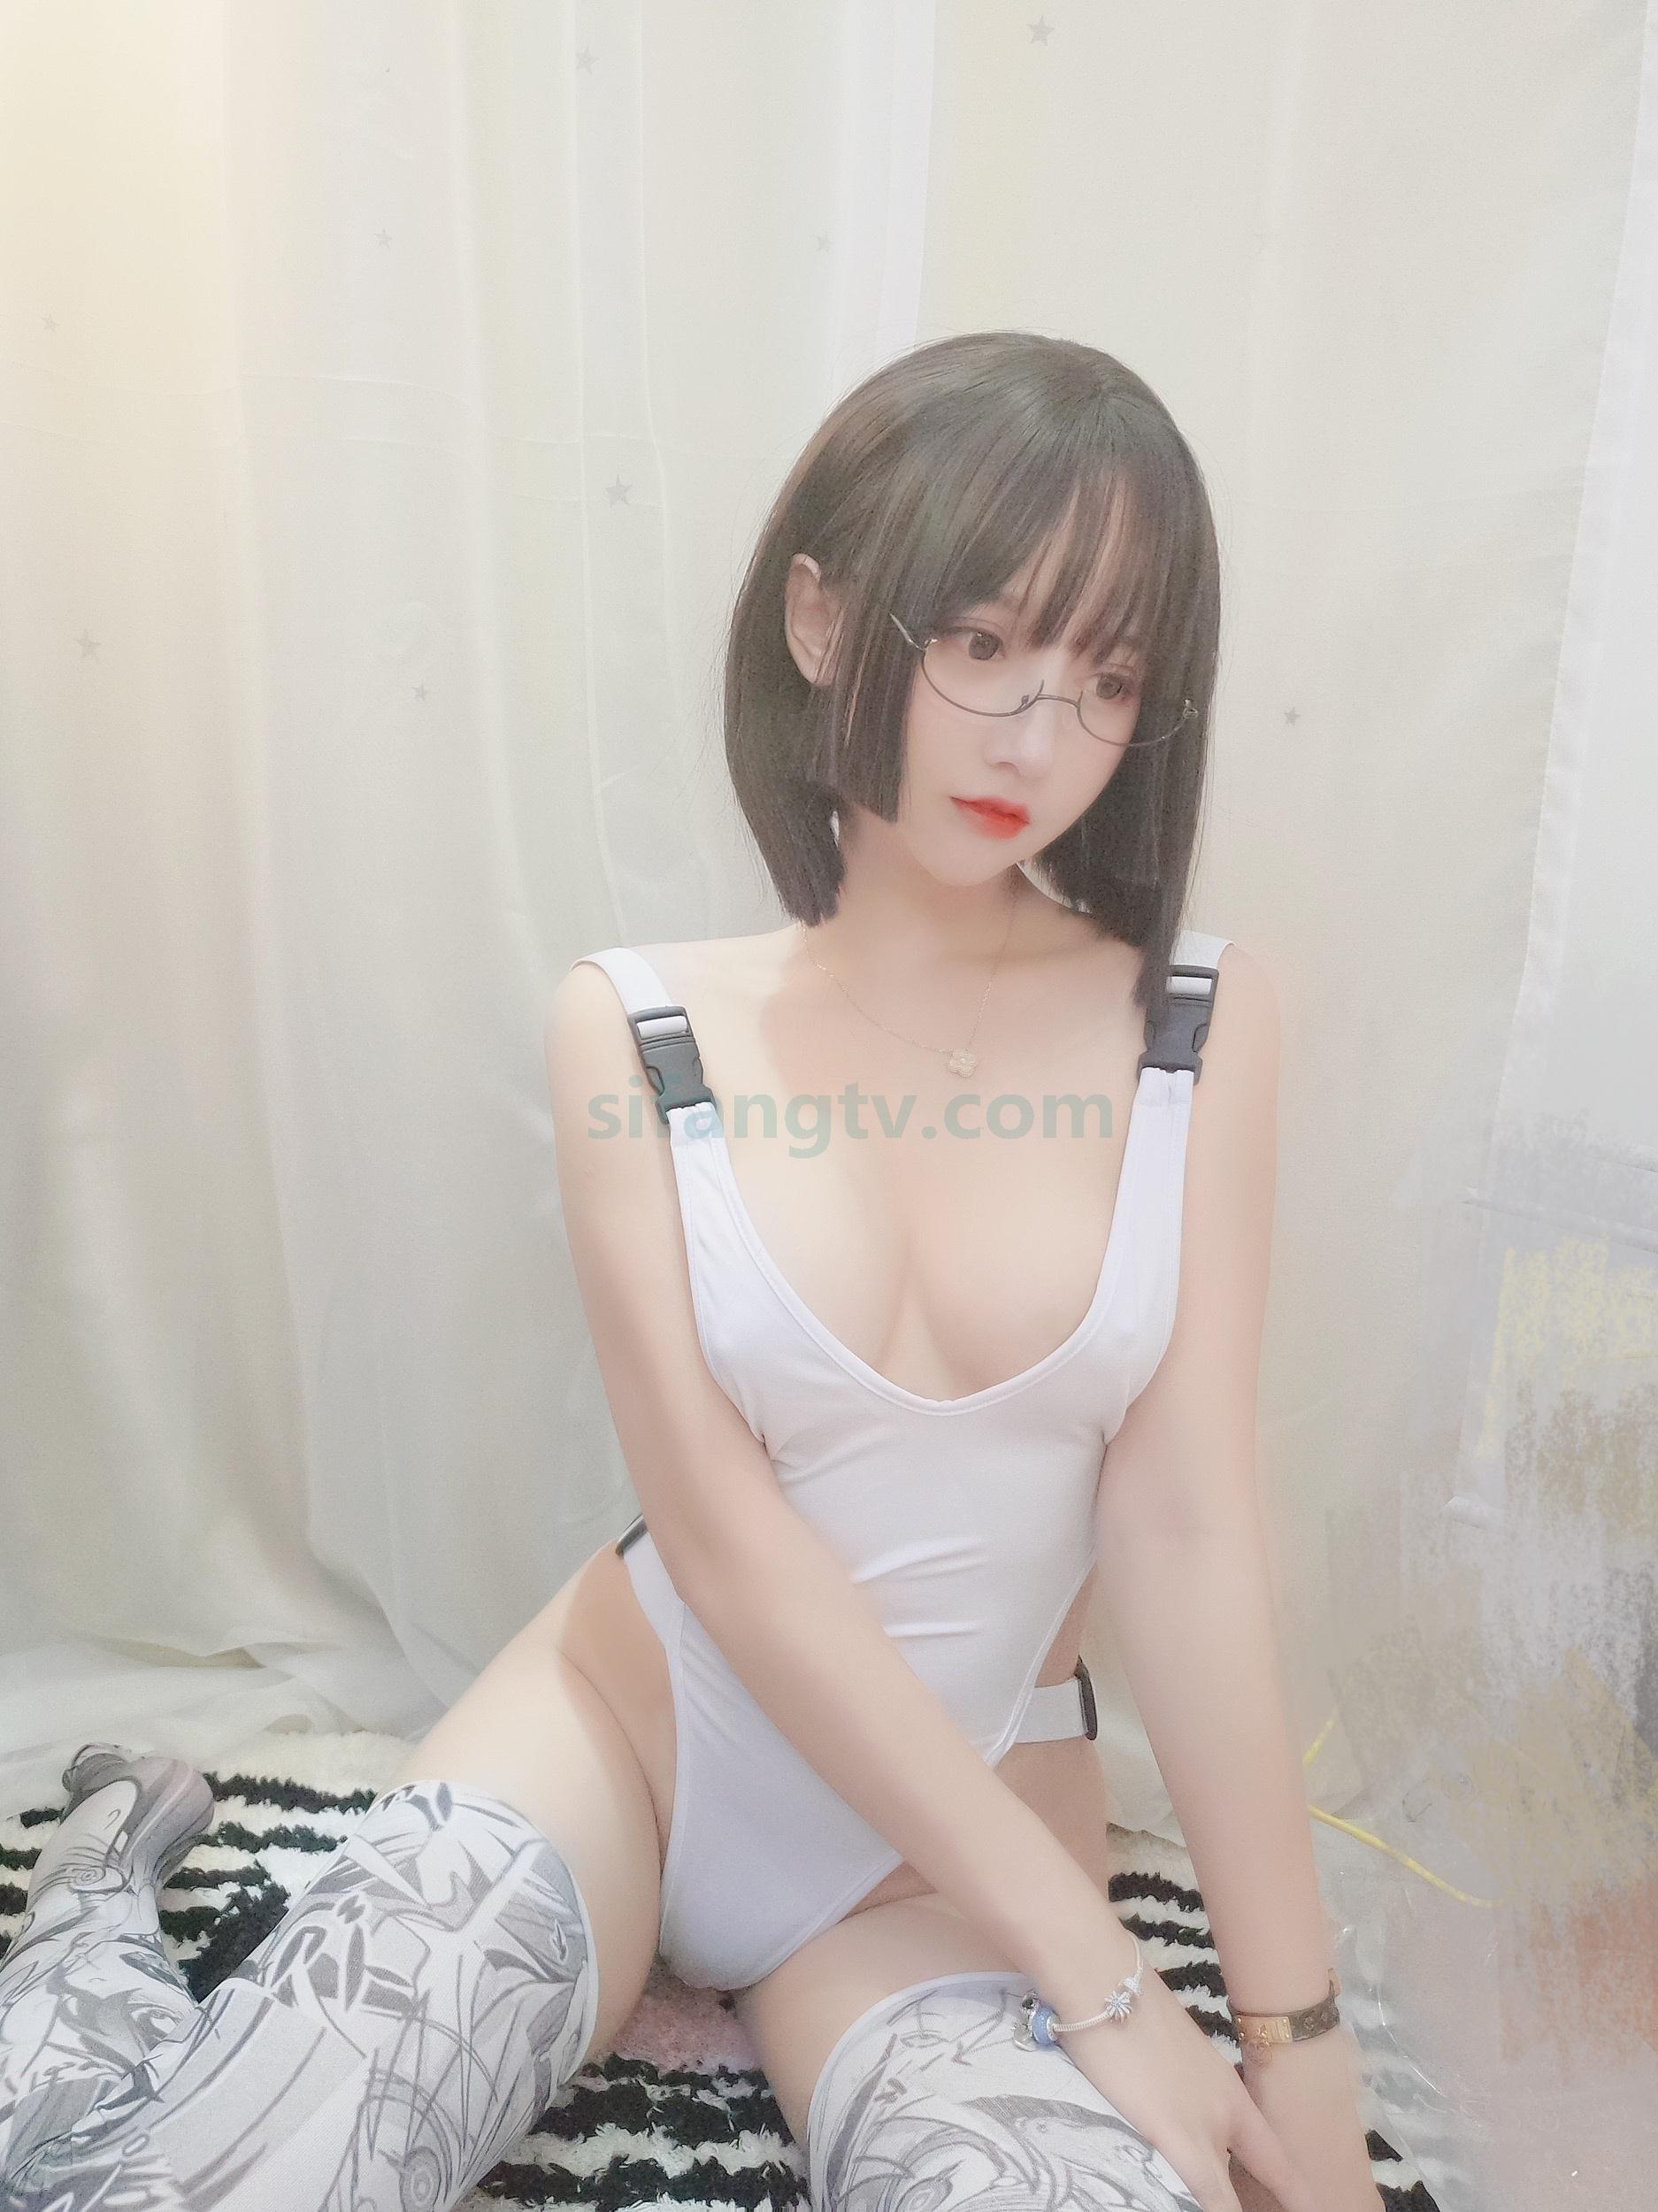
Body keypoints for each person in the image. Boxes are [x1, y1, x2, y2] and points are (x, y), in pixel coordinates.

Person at [0, 330, 1384, 2211]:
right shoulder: (638, 1027)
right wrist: (1104, 1975)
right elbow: (722, 1538)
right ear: (820, 619)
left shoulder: (1193, 1026)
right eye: (979, 641)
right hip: (637, 1750)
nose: (1034, 735)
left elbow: (1188, 1526)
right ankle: (95, 1890)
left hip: (955, 1843)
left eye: (1107, 677)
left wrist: (1298, 2043)